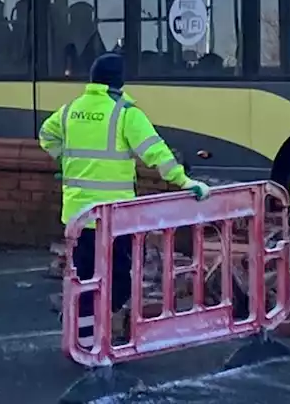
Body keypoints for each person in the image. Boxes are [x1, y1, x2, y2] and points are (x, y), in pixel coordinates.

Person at [39, 52, 211, 349]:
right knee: (117, 279)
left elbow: (46, 135)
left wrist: (65, 162)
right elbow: (157, 153)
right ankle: (100, 336)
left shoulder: (70, 110)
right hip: (114, 218)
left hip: (79, 216)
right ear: (119, 81)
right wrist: (186, 182)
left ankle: (85, 337)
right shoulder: (125, 112)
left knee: (85, 279)